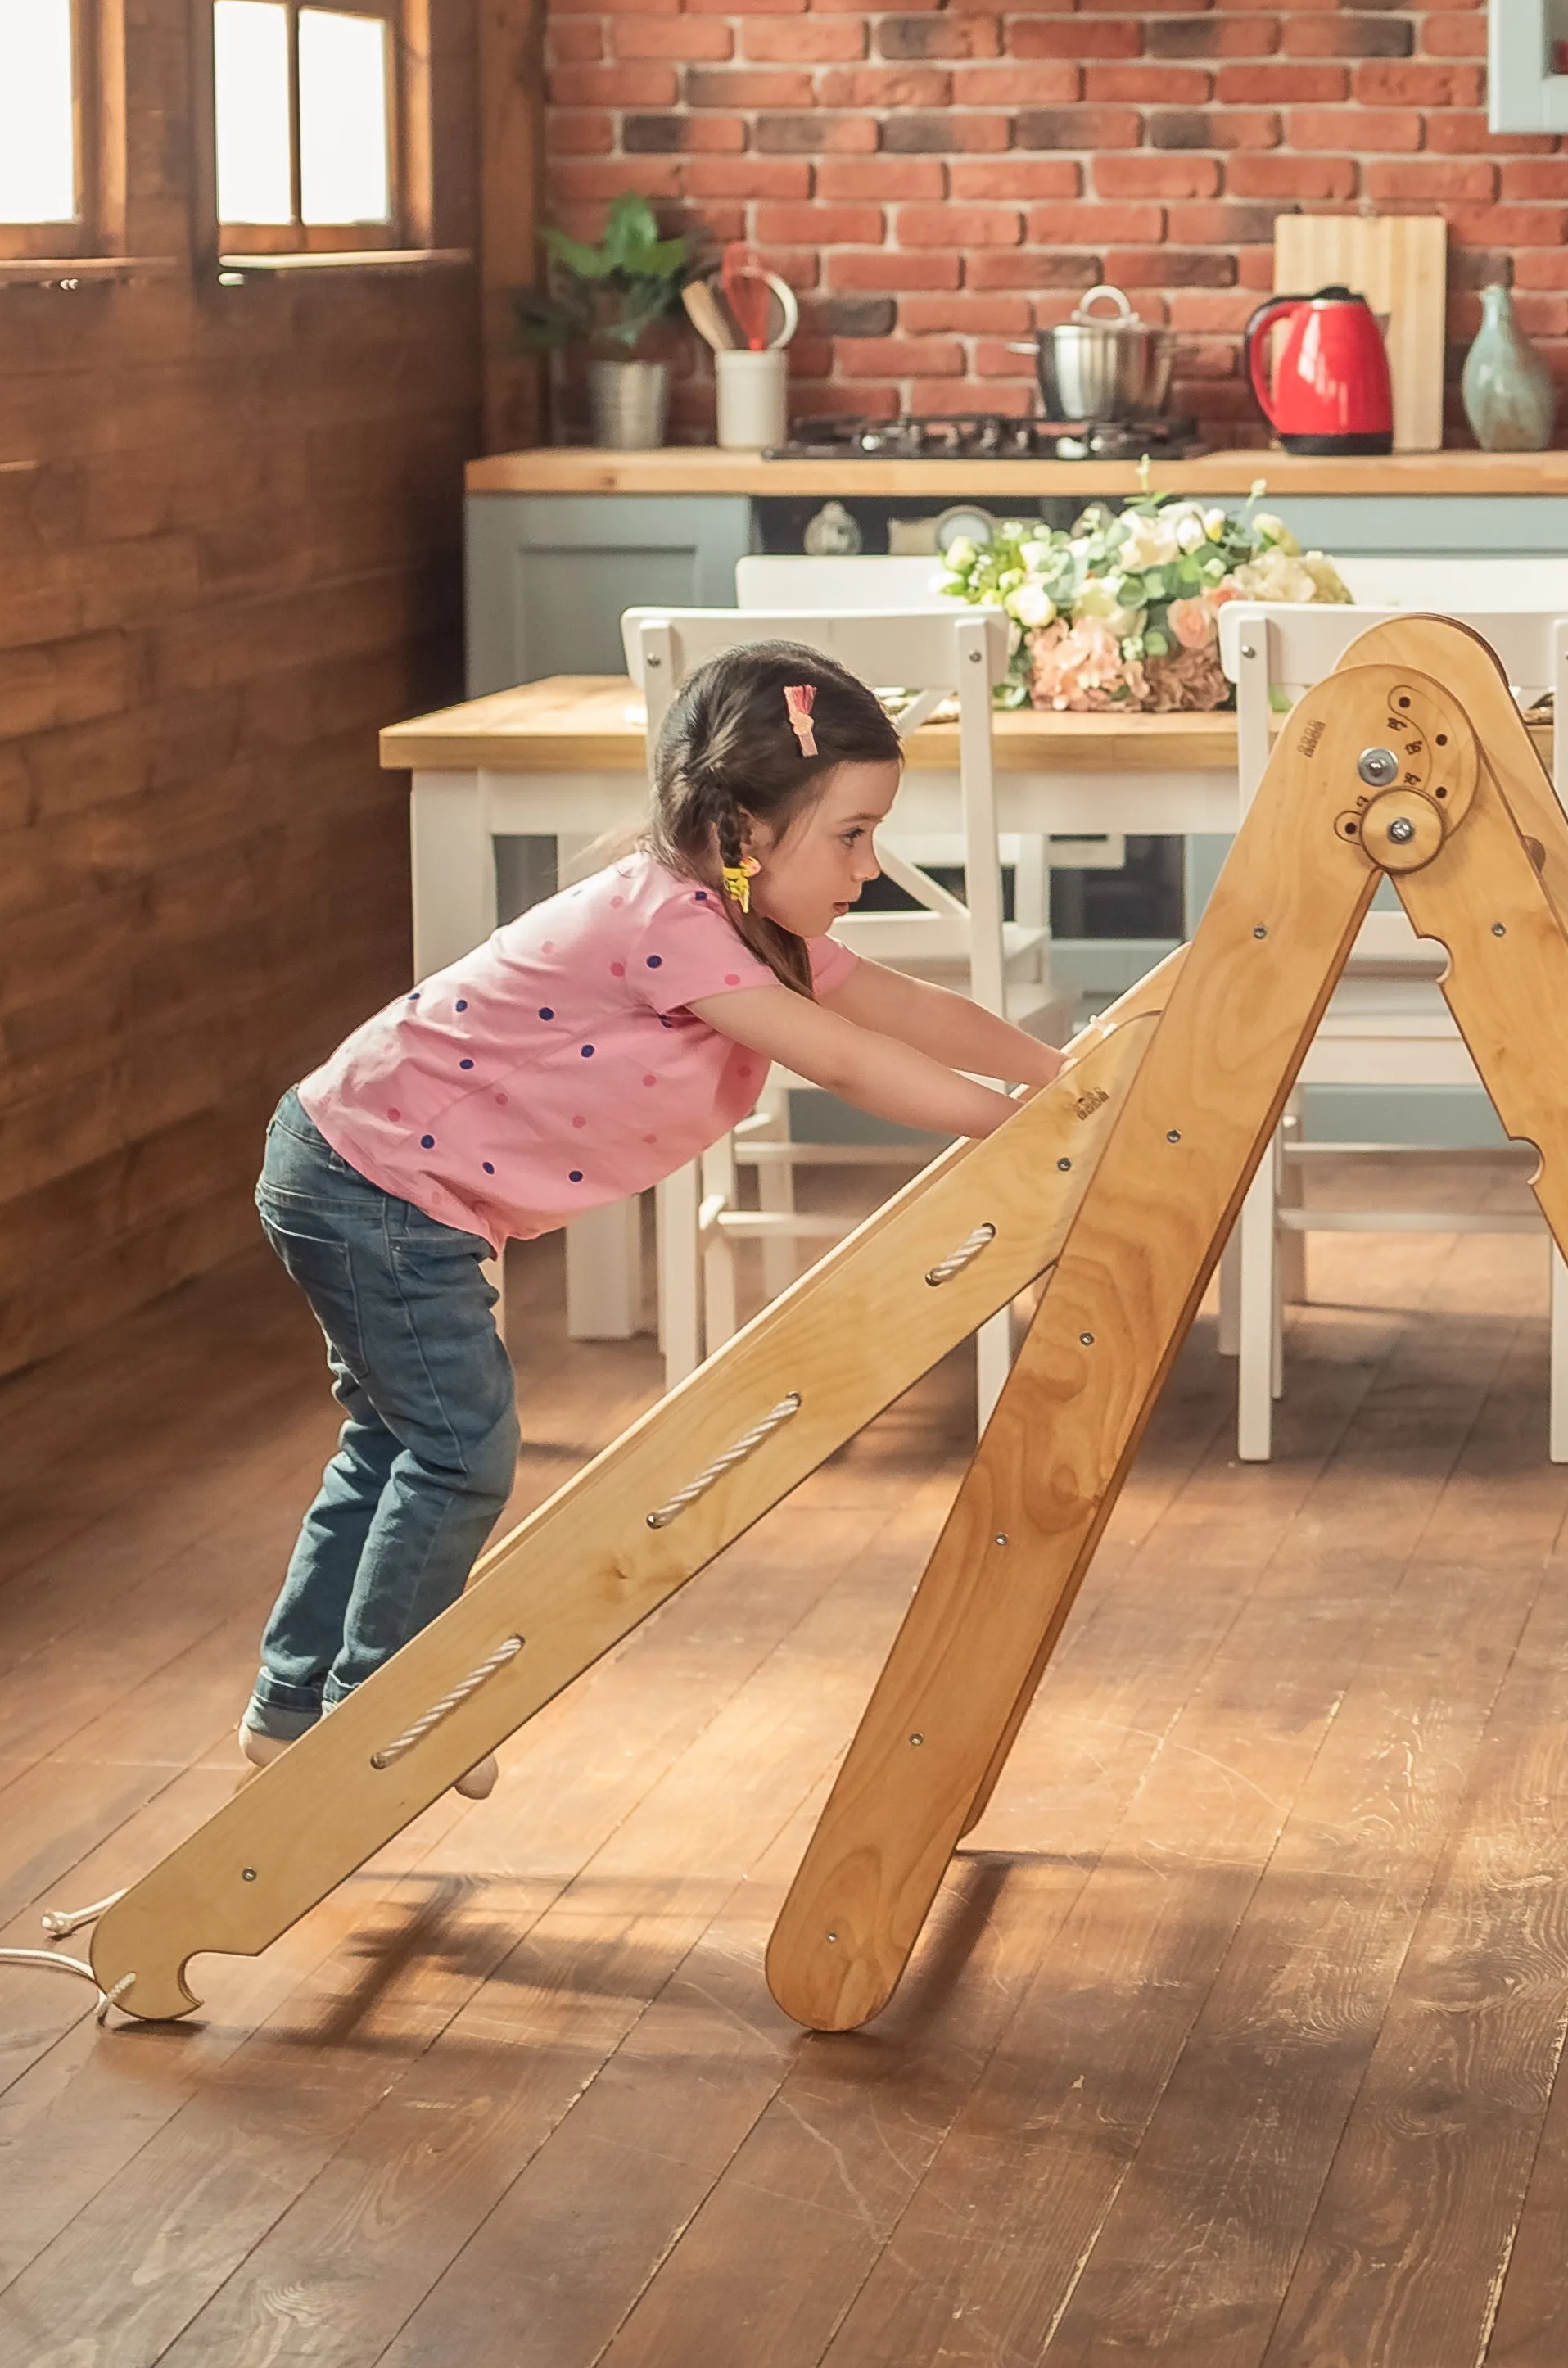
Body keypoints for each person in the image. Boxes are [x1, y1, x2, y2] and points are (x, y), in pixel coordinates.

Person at [240, 644, 1069, 1791]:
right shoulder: (669, 923)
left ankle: (295, 1704)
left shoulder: (746, 926)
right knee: (457, 1448)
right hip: (373, 1182)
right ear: (740, 832)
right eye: (851, 833)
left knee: (395, 1439)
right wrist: (1029, 1131)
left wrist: (1061, 1077)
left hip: (360, 1167)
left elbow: (904, 1008)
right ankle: (383, 1708)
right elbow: (852, 1062)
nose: (871, 867)